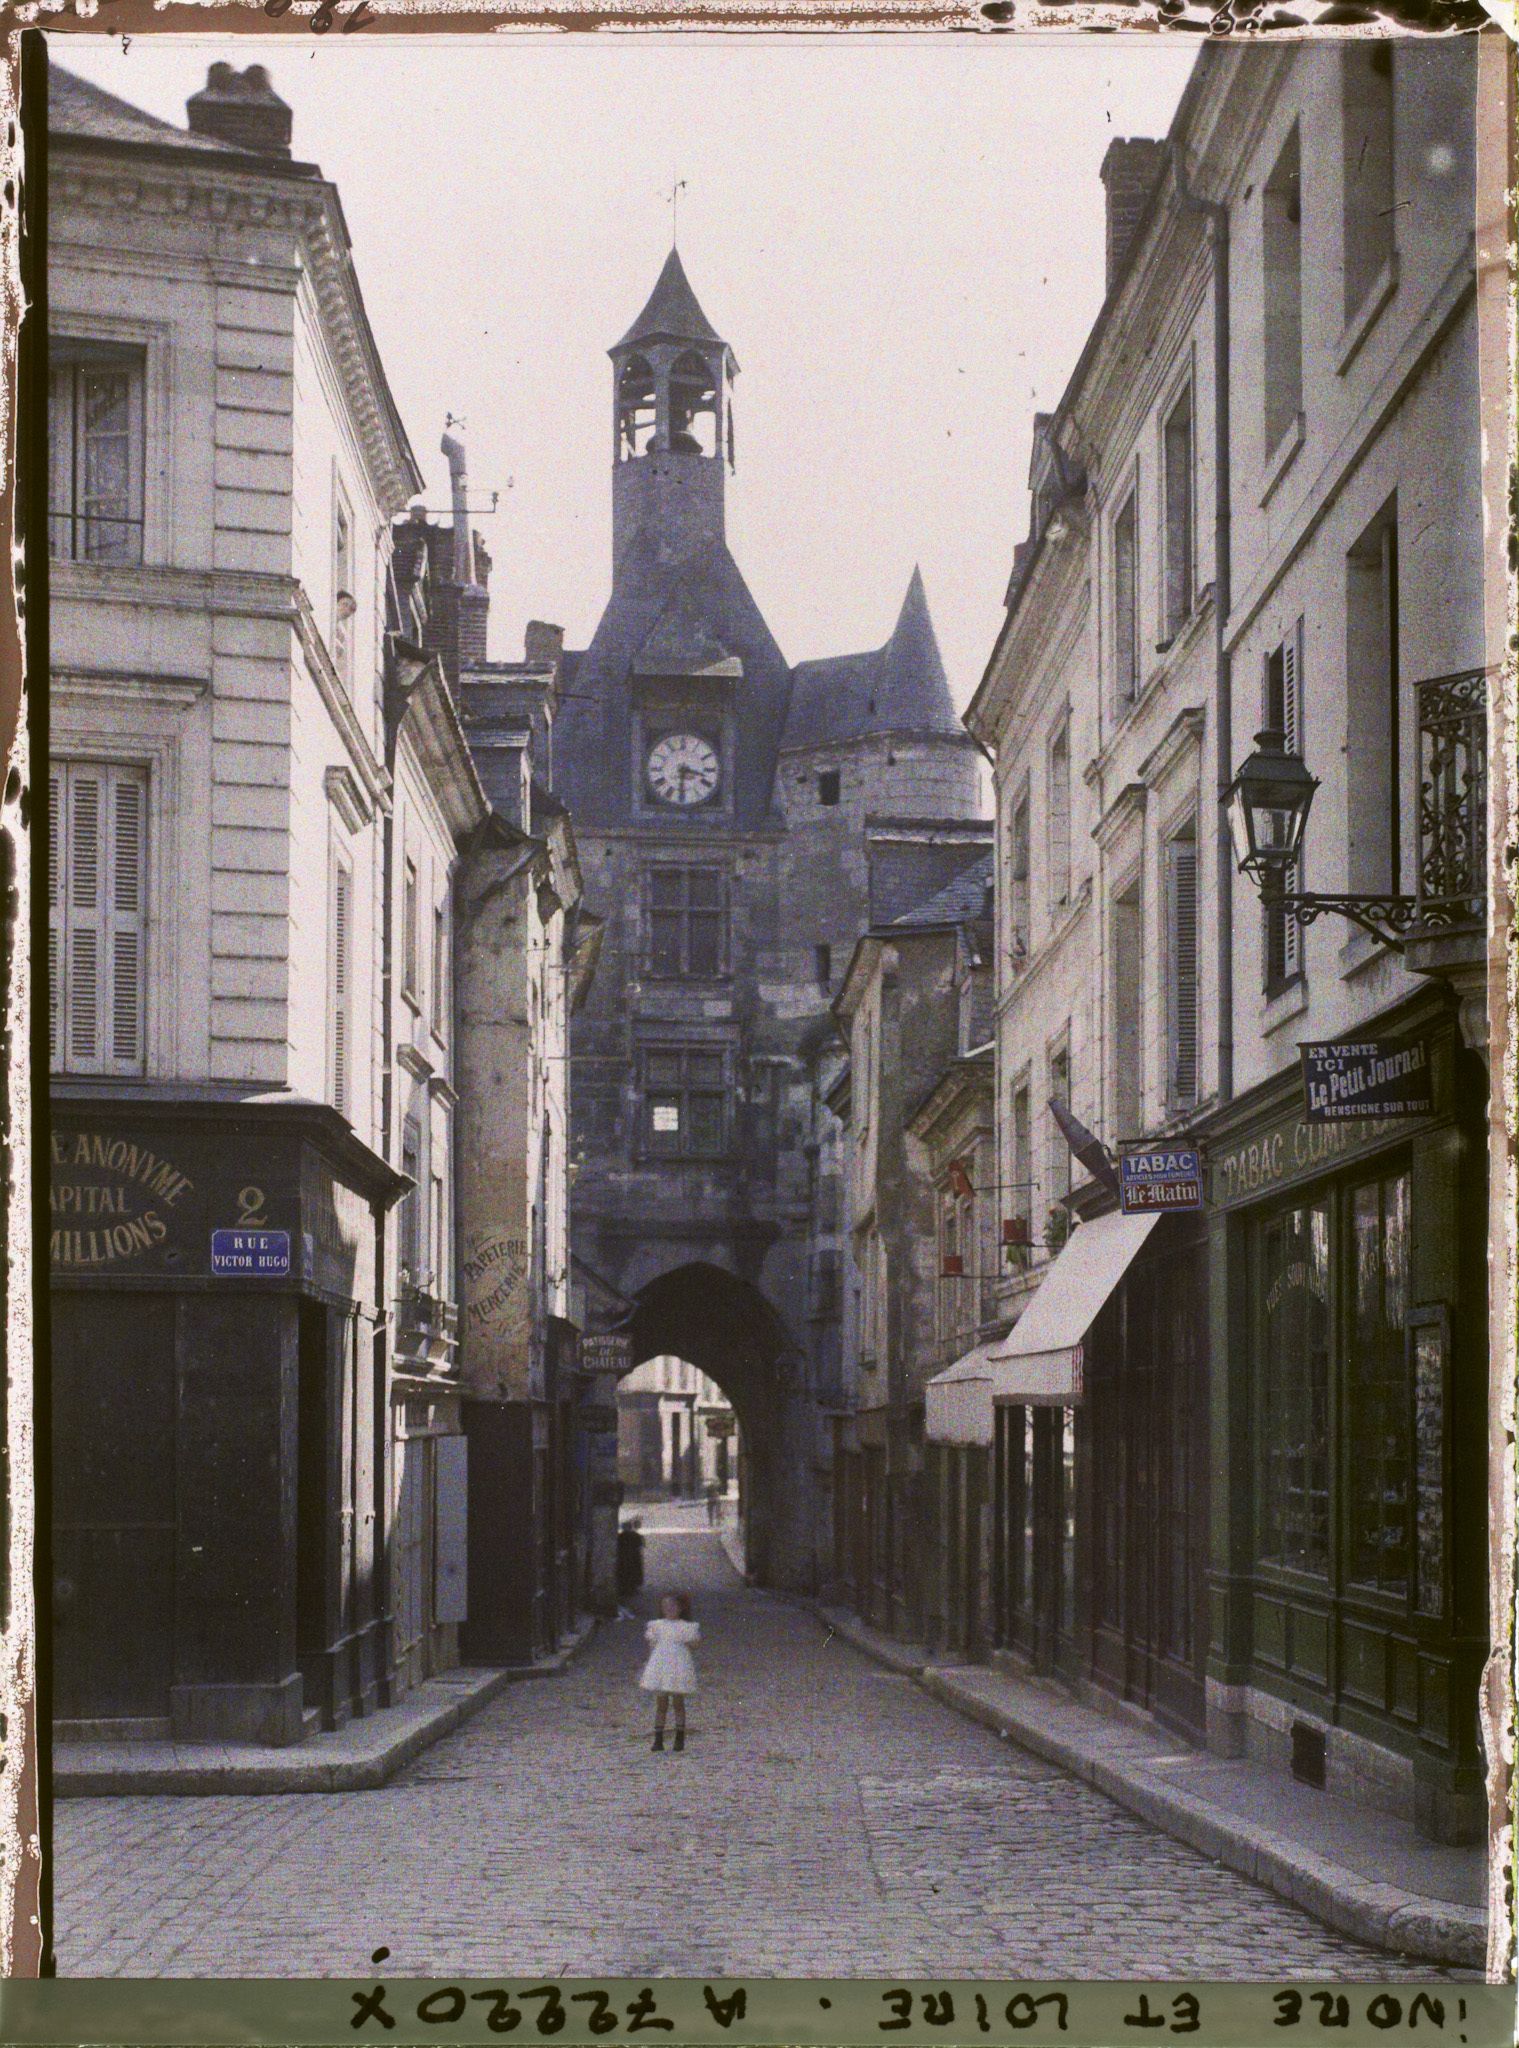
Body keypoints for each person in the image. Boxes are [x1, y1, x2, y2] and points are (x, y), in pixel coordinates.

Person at [640, 1592, 699, 1752]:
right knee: (661, 1704)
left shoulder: (686, 1627)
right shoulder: (656, 1626)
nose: (669, 1609)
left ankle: (679, 1737)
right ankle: (658, 1739)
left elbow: (694, 1644)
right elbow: (652, 1645)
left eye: (673, 1606)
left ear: (680, 1608)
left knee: (678, 1702)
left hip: (678, 1666)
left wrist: (689, 1642)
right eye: (666, 1606)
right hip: (662, 1666)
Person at [615, 1517, 645, 1620]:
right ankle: (632, 1587)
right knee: (633, 1574)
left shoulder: (619, 1536)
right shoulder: (636, 1536)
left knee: (624, 1574)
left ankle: (625, 1588)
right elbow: (641, 1546)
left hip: (623, 1559)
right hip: (633, 1558)